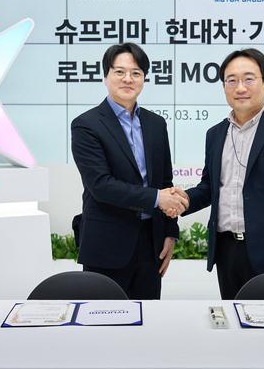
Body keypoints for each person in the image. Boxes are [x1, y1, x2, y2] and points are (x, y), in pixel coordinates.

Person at [169, 48, 264, 299]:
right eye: (231, 80)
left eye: (249, 79)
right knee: (233, 318)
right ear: (224, 86)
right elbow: (210, 187)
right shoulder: (215, 134)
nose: (240, 88)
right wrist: (185, 200)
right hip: (226, 251)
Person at [71, 43, 188, 299]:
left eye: (136, 73)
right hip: (107, 245)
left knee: (148, 318)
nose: (128, 79)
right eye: (119, 72)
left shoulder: (156, 124)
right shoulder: (86, 125)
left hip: (151, 246)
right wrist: (156, 198)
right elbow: (101, 186)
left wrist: (170, 233)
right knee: (103, 318)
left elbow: (165, 182)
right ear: (106, 76)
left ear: (144, 79)